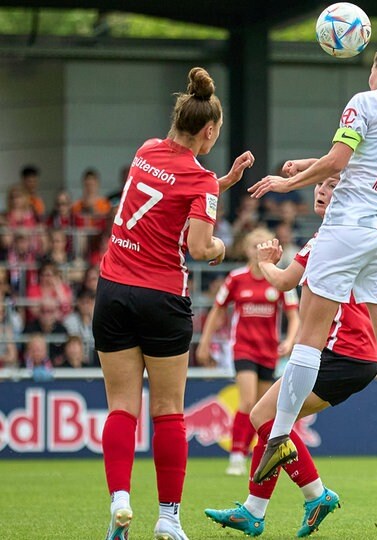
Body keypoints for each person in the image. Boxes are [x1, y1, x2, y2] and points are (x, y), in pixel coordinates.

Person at [246, 14, 377, 484]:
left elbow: (340, 161)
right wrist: (310, 163)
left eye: (372, 70)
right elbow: (366, 161)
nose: (368, 76)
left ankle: (279, 437)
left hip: (344, 229)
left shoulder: (364, 100)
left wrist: (289, 182)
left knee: (310, 336)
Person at [93, 67, 254, 540]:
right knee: (168, 410)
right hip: (162, 297)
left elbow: (171, 191)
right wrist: (226, 248)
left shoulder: (146, 152)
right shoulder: (198, 180)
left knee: (122, 406)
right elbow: (202, 247)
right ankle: (168, 518)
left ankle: (120, 500)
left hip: (113, 289)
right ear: (208, 130)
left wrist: (221, 182)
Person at [205, 177, 377, 537]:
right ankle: (262, 508)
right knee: (267, 417)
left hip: (340, 353)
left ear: (347, 195)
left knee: (264, 415)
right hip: (356, 355)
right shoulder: (360, 237)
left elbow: (284, 281)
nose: (321, 190)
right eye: (320, 185)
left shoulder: (329, 240)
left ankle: (310, 495)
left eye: (331, 186)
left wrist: (265, 261)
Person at [196, 227, 301, 476]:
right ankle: (236, 455)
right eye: (255, 247)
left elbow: (293, 315)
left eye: (264, 246)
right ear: (247, 250)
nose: (259, 251)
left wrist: (290, 340)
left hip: (269, 350)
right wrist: (204, 342)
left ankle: (260, 453)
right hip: (243, 348)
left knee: (262, 409)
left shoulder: (279, 278)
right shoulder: (236, 278)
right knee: (246, 400)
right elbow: (218, 311)